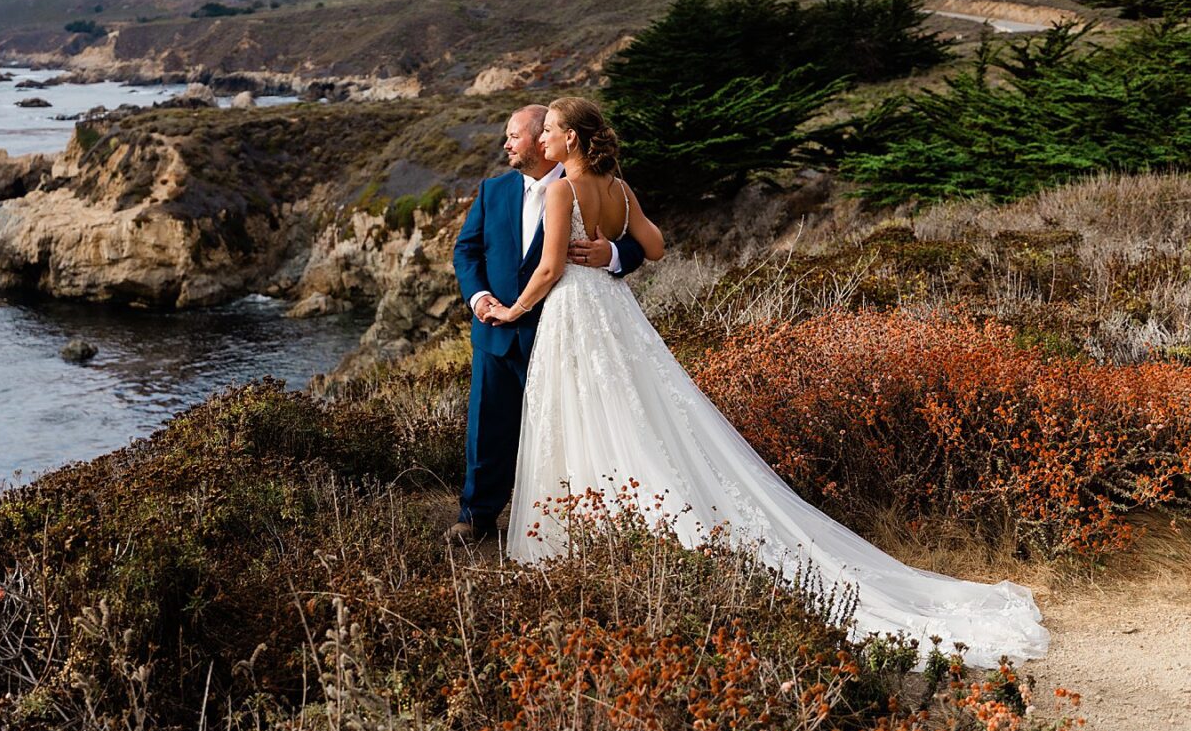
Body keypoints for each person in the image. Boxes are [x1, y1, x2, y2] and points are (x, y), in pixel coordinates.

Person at [484, 96, 1049, 668]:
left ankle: (587, 547)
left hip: (575, 314)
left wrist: (510, 311)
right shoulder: (619, 189)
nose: (544, 138)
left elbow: (552, 269)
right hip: (617, 312)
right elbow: (654, 247)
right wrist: (611, 253)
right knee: (632, 415)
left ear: (572, 139)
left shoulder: (561, 190)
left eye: (550, 130)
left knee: (585, 415)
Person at [448, 104, 651, 546]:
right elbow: (466, 251)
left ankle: (572, 516)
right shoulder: (493, 190)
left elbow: (637, 245)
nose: (507, 144)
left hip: (560, 328)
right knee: (488, 426)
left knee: (568, 424)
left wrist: (612, 256)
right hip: (496, 331)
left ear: (546, 138)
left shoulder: (580, 185)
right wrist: (480, 297)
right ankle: (476, 516)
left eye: (514, 136)